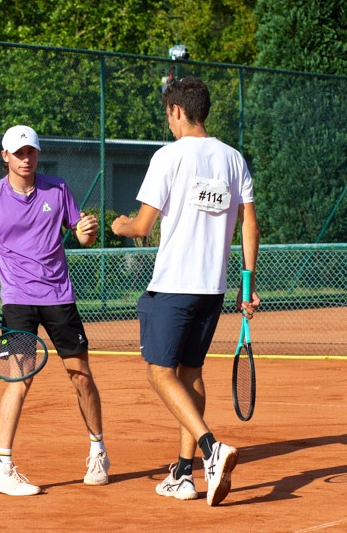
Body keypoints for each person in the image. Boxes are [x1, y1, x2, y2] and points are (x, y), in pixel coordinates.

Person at [111, 77, 260, 506]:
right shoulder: (234, 159)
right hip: (212, 291)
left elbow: (141, 227)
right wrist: (246, 286)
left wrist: (118, 224)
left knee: (159, 372)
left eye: (168, 117)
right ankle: (182, 472)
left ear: (177, 111)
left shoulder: (168, 157)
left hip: (173, 287)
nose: (169, 124)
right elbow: (249, 223)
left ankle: (211, 450)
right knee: (191, 373)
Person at [0, 124, 109, 496]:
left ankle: (98, 452)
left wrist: (87, 232)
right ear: (5, 157)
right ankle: (0, 466)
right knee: (20, 378)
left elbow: (80, 234)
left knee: (81, 376)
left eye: (30, 152)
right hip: (18, 299)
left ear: (37, 154)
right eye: (18, 153)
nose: (25, 158)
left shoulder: (57, 189)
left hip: (60, 297)